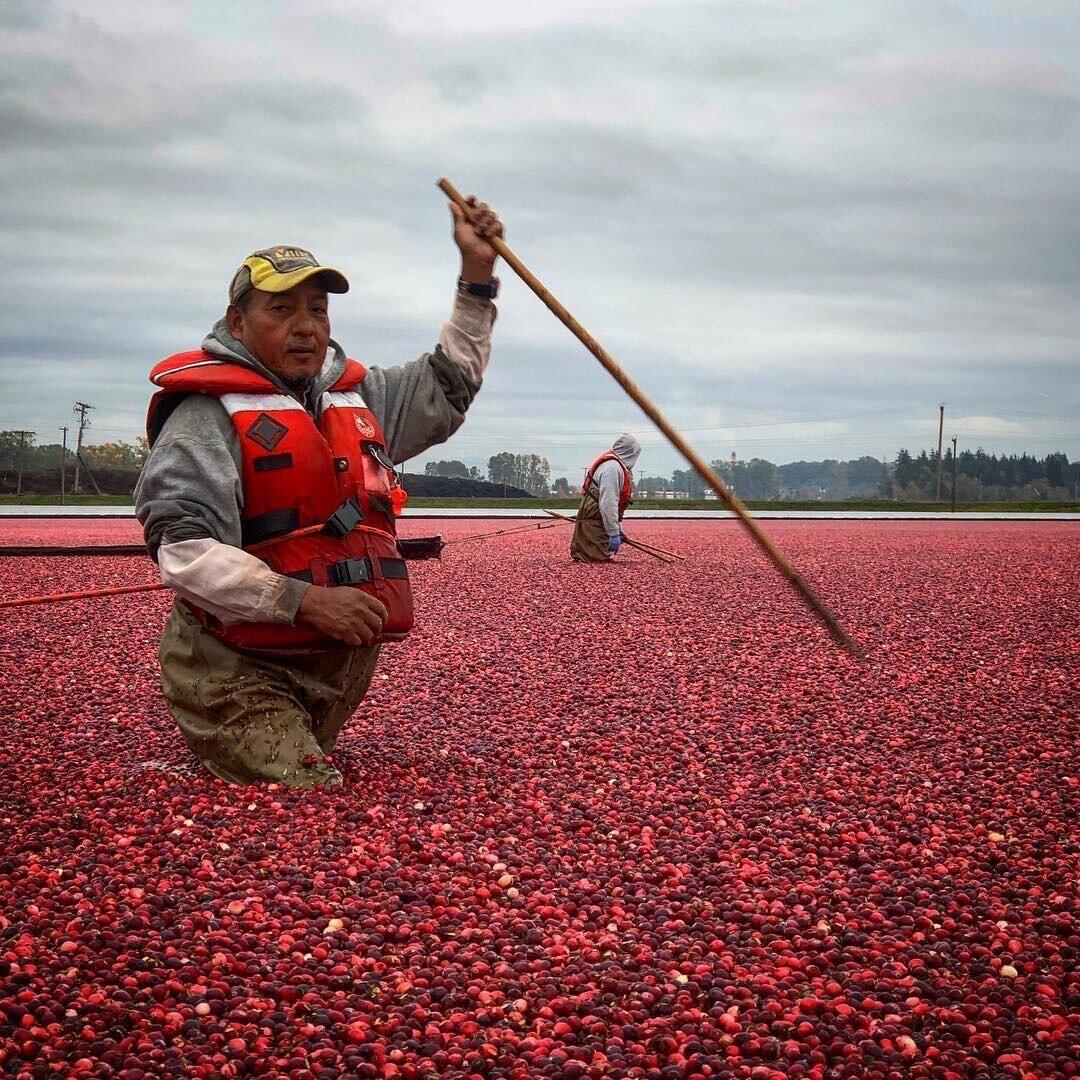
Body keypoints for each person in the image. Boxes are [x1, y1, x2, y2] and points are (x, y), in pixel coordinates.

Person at [134, 198, 503, 789]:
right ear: (237, 324)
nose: (305, 326)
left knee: (318, 789)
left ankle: (298, 729)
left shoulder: (355, 398)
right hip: (238, 665)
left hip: (333, 666)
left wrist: (477, 277)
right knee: (307, 795)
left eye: (317, 310)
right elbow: (183, 551)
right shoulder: (206, 416)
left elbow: (448, 385)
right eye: (281, 310)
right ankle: (230, 724)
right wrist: (306, 602)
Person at [570, 433, 641, 562]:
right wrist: (613, 533)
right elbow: (608, 503)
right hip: (594, 516)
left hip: (596, 516)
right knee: (593, 558)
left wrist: (616, 528)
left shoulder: (614, 465)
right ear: (630, 453)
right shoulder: (613, 469)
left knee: (590, 557)